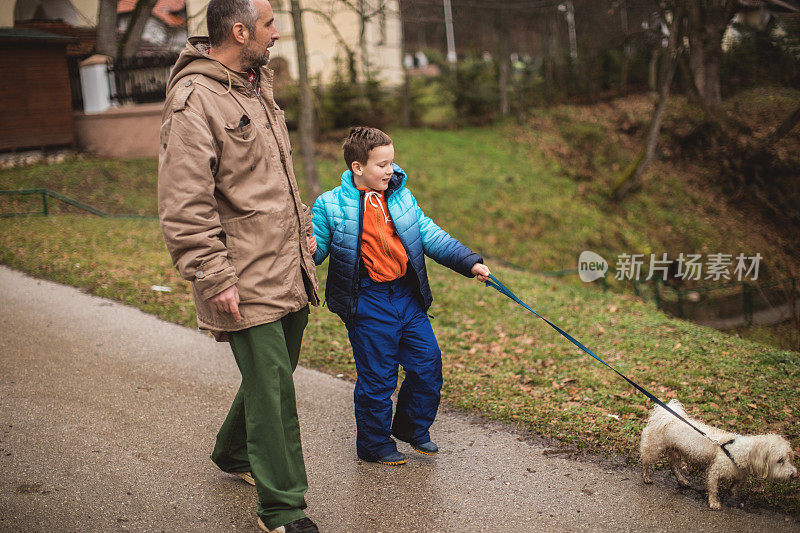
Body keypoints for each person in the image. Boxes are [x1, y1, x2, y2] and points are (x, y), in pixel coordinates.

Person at [157, 0, 320, 531]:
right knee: (274, 390)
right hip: (241, 273)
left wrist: (305, 236)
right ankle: (283, 509)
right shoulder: (195, 99)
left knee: (274, 374)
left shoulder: (253, 84)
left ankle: (234, 453)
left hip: (287, 262)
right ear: (239, 29)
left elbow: (271, 178)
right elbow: (185, 202)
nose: (277, 33)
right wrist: (211, 273)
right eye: (270, 24)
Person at [311, 127, 491, 465]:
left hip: (406, 297)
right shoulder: (331, 204)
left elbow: (431, 236)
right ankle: (374, 444)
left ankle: (410, 427)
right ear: (357, 167)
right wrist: (309, 247)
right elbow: (317, 251)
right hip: (367, 300)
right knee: (378, 378)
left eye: (391, 163)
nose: (390, 171)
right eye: (381, 165)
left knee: (428, 364)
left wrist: (470, 263)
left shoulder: (401, 197)